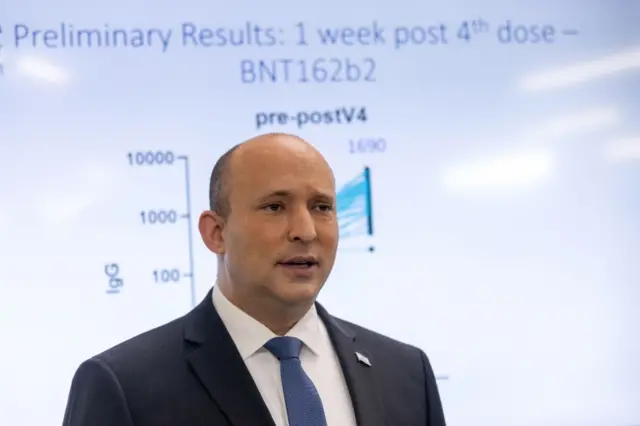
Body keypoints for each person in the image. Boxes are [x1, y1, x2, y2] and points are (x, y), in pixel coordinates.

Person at [62, 133, 447, 426]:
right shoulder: (124, 387)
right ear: (216, 232)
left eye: (322, 207)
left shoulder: (405, 373)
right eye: (275, 207)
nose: (305, 230)